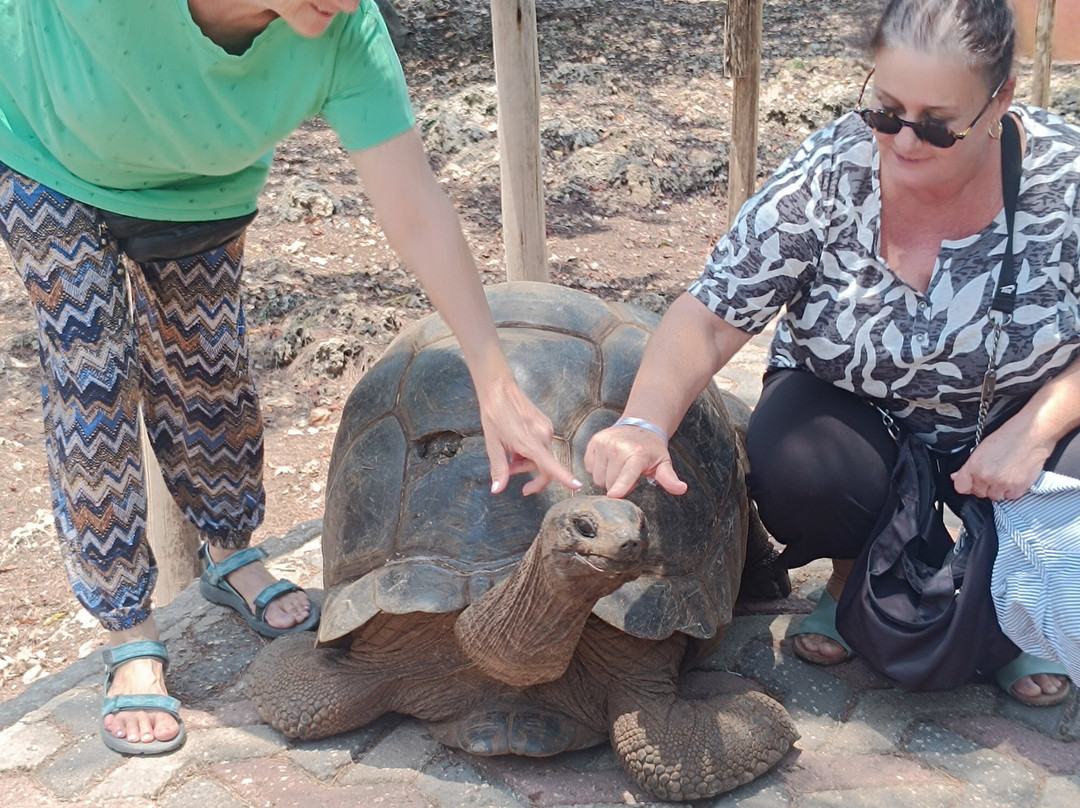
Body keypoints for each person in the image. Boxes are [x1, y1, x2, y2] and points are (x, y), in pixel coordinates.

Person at [0, 0, 579, 755]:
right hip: (50, 157)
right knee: (92, 385)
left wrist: (493, 377)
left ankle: (230, 549)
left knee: (212, 382)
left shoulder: (346, 33)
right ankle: (128, 626)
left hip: (203, 182)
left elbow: (416, 209)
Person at [585, 0, 1078, 707]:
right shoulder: (834, 166)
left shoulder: (1064, 177)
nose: (904, 141)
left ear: (999, 99)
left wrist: (1034, 431)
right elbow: (712, 314)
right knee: (794, 456)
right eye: (886, 110)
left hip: (1015, 417)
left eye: (937, 124)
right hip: (857, 415)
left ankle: (1018, 608)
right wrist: (642, 423)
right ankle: (853, 576)